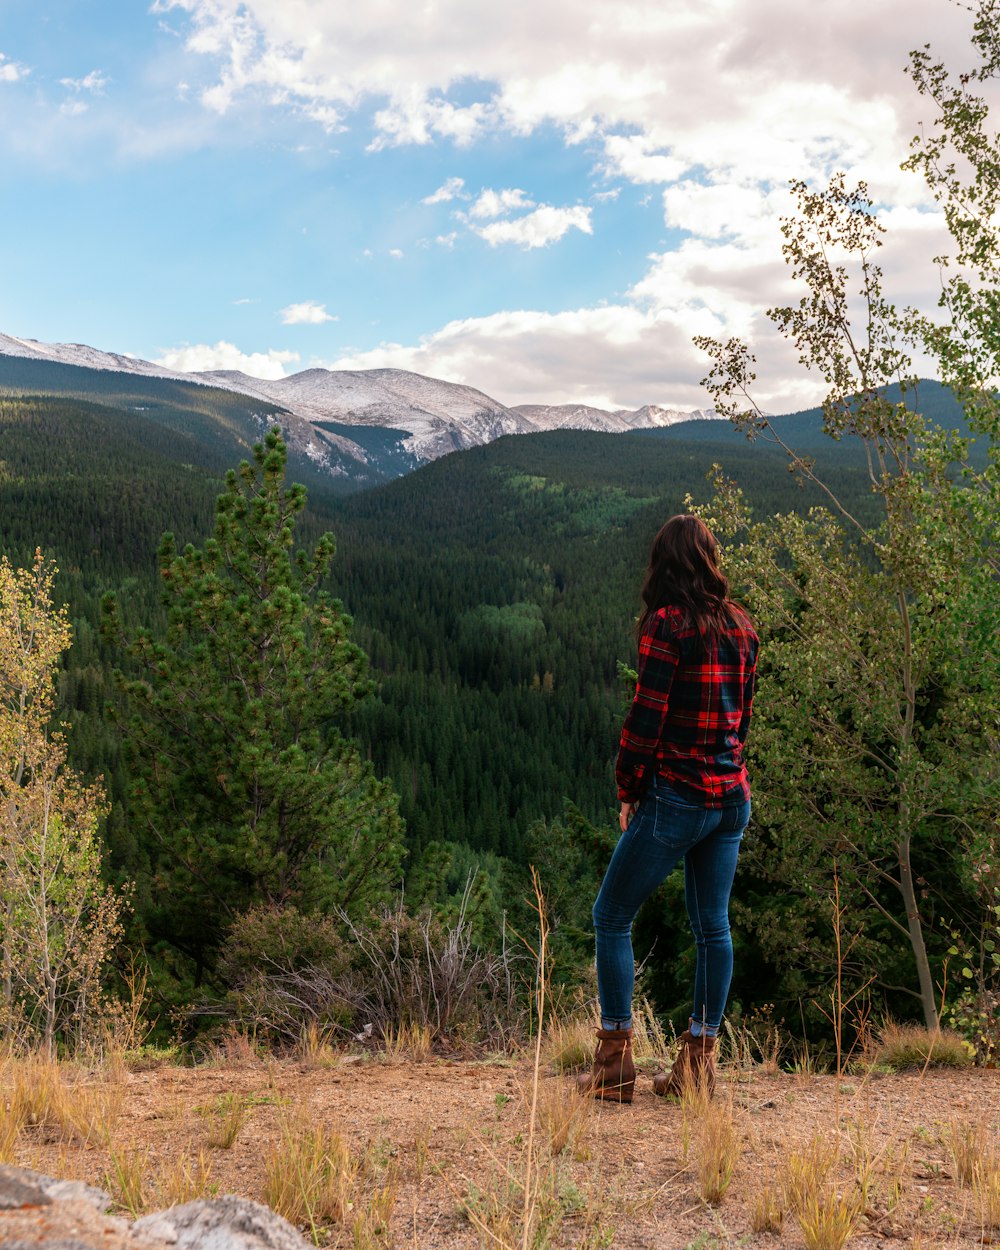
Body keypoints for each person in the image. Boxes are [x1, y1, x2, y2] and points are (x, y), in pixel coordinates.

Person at [578, 514, 757, 1103]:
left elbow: (644, 720)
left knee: (612, 915)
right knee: (713, 926)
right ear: (708, 558)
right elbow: (742, 722)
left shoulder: (667, 625)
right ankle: (698, 1066)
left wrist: (629, 788)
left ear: (663, 562)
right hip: (730, 798)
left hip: (676, 796)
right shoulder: (741, 627)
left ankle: (613, 1063)